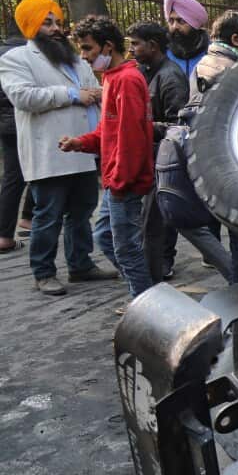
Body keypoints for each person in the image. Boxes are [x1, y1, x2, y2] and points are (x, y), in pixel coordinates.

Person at [0, 0, 115, 295]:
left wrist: (98, 96)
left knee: (82, 211)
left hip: (83, 149)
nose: (56, 29)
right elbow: (24, 97)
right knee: (48, 215)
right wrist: (73, 94)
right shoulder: (15, 60)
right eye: (47, 23)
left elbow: (96, 91)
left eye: (59, 23)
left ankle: (80, 265)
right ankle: (44, 271)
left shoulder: (75, 59)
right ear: (31, 26)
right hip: (49, 151)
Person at [59, 15, 154, 299]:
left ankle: (148, 305)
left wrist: (121, 181)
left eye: (88, 48)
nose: (83, 56)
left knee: (126, 248)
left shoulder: (126, 80)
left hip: (123, 181)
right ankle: (145, 299)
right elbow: (108, 131)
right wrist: (79, 143)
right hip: (115, 179)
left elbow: (132, 139)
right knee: (105, 238)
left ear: (108, 47)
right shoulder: (112, 79)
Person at [190, 11, 238, 284]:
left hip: (219, 165)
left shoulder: (208, 64)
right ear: (236, 39)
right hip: (231, 167)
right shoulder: (226, 70)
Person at [127, 21, 192, 281]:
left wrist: (142, 126)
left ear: (152, 46)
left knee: (162, 217)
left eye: (135, 44)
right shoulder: (143, 71)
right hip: (148, 154)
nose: (131, 49)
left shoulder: (170, 76)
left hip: (165, 156)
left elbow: (179, 124)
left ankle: (162, 262)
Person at [0, 20, 27, 254]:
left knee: (13, 177)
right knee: (35, 173)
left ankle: (6, 233)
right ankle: (20, 224)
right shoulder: (25, 55)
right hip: (24, 122)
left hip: (5, 125)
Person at [164, 0, 209, 79]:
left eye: (181, 21)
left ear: (195, 24)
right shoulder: (162, 53)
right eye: (171, 21)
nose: (175, 26)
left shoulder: (211, 52)